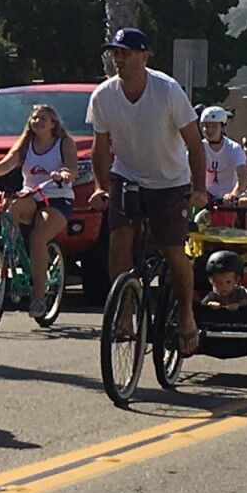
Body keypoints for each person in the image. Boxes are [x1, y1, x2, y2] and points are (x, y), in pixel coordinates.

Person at [86, 27, 207, 357]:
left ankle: (185, 316)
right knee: (120, 237)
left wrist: (198, 188)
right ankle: (124, 312)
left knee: (172, 250)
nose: (118, 59)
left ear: (143, 56)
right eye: (115, 53)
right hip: (127, 176)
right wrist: (100, 187)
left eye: (125, 53)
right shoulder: (104, 96)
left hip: (169, 181)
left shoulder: (167, 91)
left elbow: (195, 144)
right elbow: (100, 147)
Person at [0, 104, 78, 318]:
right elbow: (6, 164)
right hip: (31, 195)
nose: (38, 121)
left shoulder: (64, 143)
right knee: (9, 205)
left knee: (38, 237)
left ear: (53, 123)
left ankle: (38, 298)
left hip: (56, 198)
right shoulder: (26, 144)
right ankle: (10, 250)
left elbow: (71, 168)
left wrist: (64, 175)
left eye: (43, 118)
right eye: (35, 118)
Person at [199, 106, 247, 220]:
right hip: (206, 198)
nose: (209, 130)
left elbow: (243, 178)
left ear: (222, 127)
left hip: (227, 200)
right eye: (206, 126)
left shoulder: (234, 148)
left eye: (214, 126)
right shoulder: (199, 147)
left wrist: (233, 194)